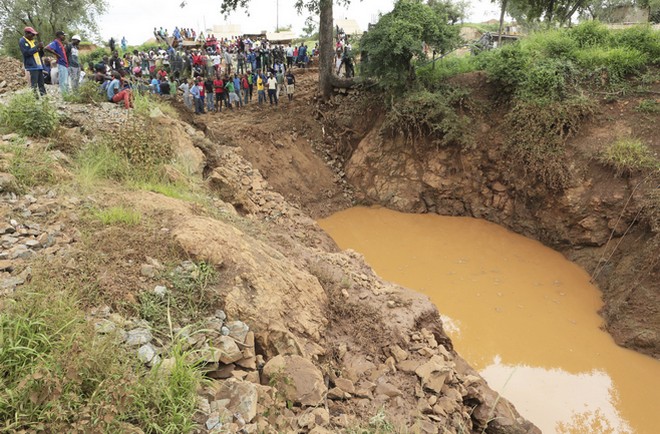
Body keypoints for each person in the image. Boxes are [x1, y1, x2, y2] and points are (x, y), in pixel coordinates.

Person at [18, 26, 46, 96]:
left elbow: (40, 55)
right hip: (32, 66)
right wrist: (36, 47)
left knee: (41, 84)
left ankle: (44, 98)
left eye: (34, 35)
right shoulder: (22, 41)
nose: (33, 36)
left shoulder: (33, 42)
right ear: (27, 33)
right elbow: (26, 53)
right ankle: (35, 100)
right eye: (32, 34)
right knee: (34, 84)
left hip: (39, 65)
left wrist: (41, 49)